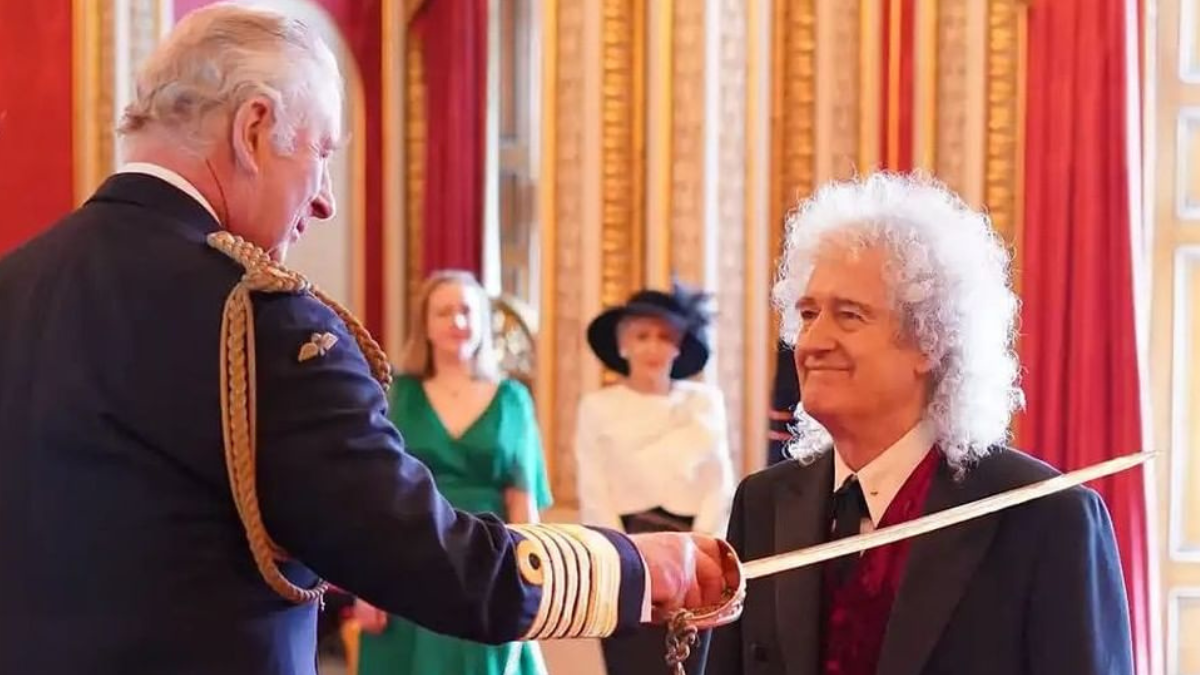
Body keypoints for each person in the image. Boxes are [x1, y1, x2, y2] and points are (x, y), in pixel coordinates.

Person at [0, 6, 731, 675]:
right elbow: (430, 558)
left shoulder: (15, 283)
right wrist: (632, 568)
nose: (325, 198)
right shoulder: (260, 323)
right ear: (253, 129)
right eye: (320, 153)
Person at [700, 173, 1134, 675]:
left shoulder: (1047, 517)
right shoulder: (762, 504)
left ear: (930, 341)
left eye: (849, 315)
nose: (812, 342)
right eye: (809, 313)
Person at [354, 270, 552, 675]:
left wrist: (532, 585)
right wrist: (365, 584)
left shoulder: (513, 399)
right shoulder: (397, 394)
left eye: (466, 311)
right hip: (409, 557)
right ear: (425, 325)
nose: (457, 322)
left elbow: (523, 502)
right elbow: (375, 495)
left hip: (489, 563)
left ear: (483, 321)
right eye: (444, 312)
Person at [575, 282, 735, 675]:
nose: (653, 347)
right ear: (622, 344)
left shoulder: (705, 402)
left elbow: (718, 484)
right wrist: (623, 562)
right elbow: (594, 490)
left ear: (679, 347)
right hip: (625, 555)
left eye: (664, 337)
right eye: (642, 336)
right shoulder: (597, 406)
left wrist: (700, 557)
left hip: (694, 558)